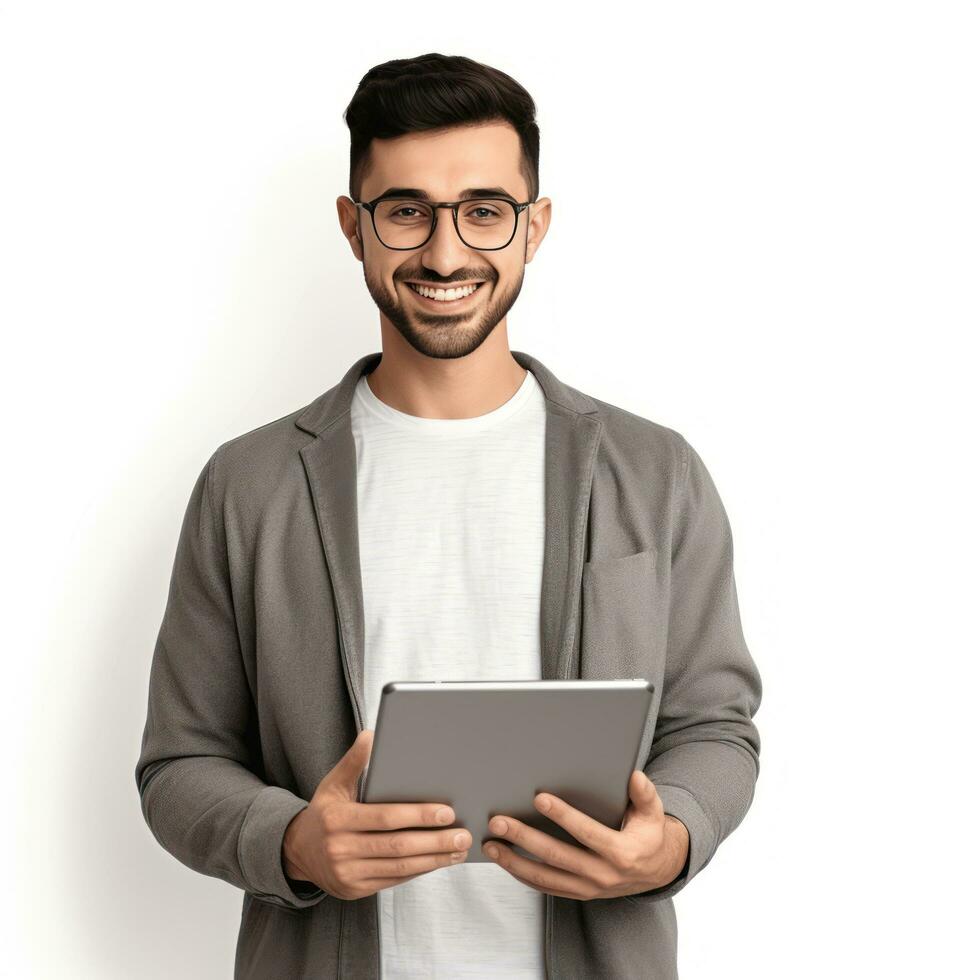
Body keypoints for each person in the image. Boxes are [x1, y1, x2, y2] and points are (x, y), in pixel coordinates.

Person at [135, 52, 763, 980]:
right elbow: (179, 764)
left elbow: (716, 726)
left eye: (483, 210)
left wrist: (669, 841)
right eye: (406, 211)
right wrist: (294, 843)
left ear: (534, 227)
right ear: (354, 228)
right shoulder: (250, 484)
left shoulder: (654, 471)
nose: (443, 252)